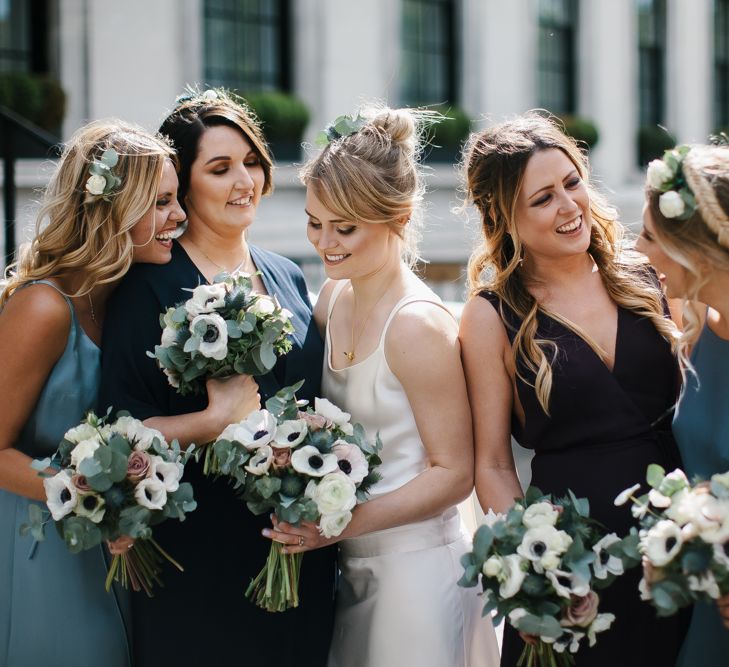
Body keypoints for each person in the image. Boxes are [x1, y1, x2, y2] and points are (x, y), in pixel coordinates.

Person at [97, 88, 336, 667]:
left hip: (293, 550)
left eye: (251, 162)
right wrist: (208, 422)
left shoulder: (286, 275)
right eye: (221, 168)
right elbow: (118, 428)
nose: (244, 181)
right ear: (183, 182)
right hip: (194, 555)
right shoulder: (144, 289)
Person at [265, 106, 499, 667]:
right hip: (350, 572)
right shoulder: (330, 299)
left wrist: (335, 525)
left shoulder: (417, 325)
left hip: (416, 573)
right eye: (314, 222)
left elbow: (454, 474)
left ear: (396, 216)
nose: (325, 244)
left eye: (344, 228)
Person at [458, 113, 686, 666]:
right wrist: (535, 570)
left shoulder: (647, 277)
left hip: (674, 545)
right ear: (504, 217)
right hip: (571, 561)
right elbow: (491, 464)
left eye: (572, 182)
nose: (569, 206)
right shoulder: (492, 315)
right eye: (543, 198)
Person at [0, 120, 185, 666]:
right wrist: (86, 495)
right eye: (162, 203)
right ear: (113, 211)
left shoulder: (128, 302)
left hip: (111, 544)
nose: (179, 216)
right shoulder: (43, 308)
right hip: (42, 543)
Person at [635, 142, 729, 666]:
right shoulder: (696, 334)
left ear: (697, 249)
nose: (637, 250)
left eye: (651, 236)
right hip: (706, 614)